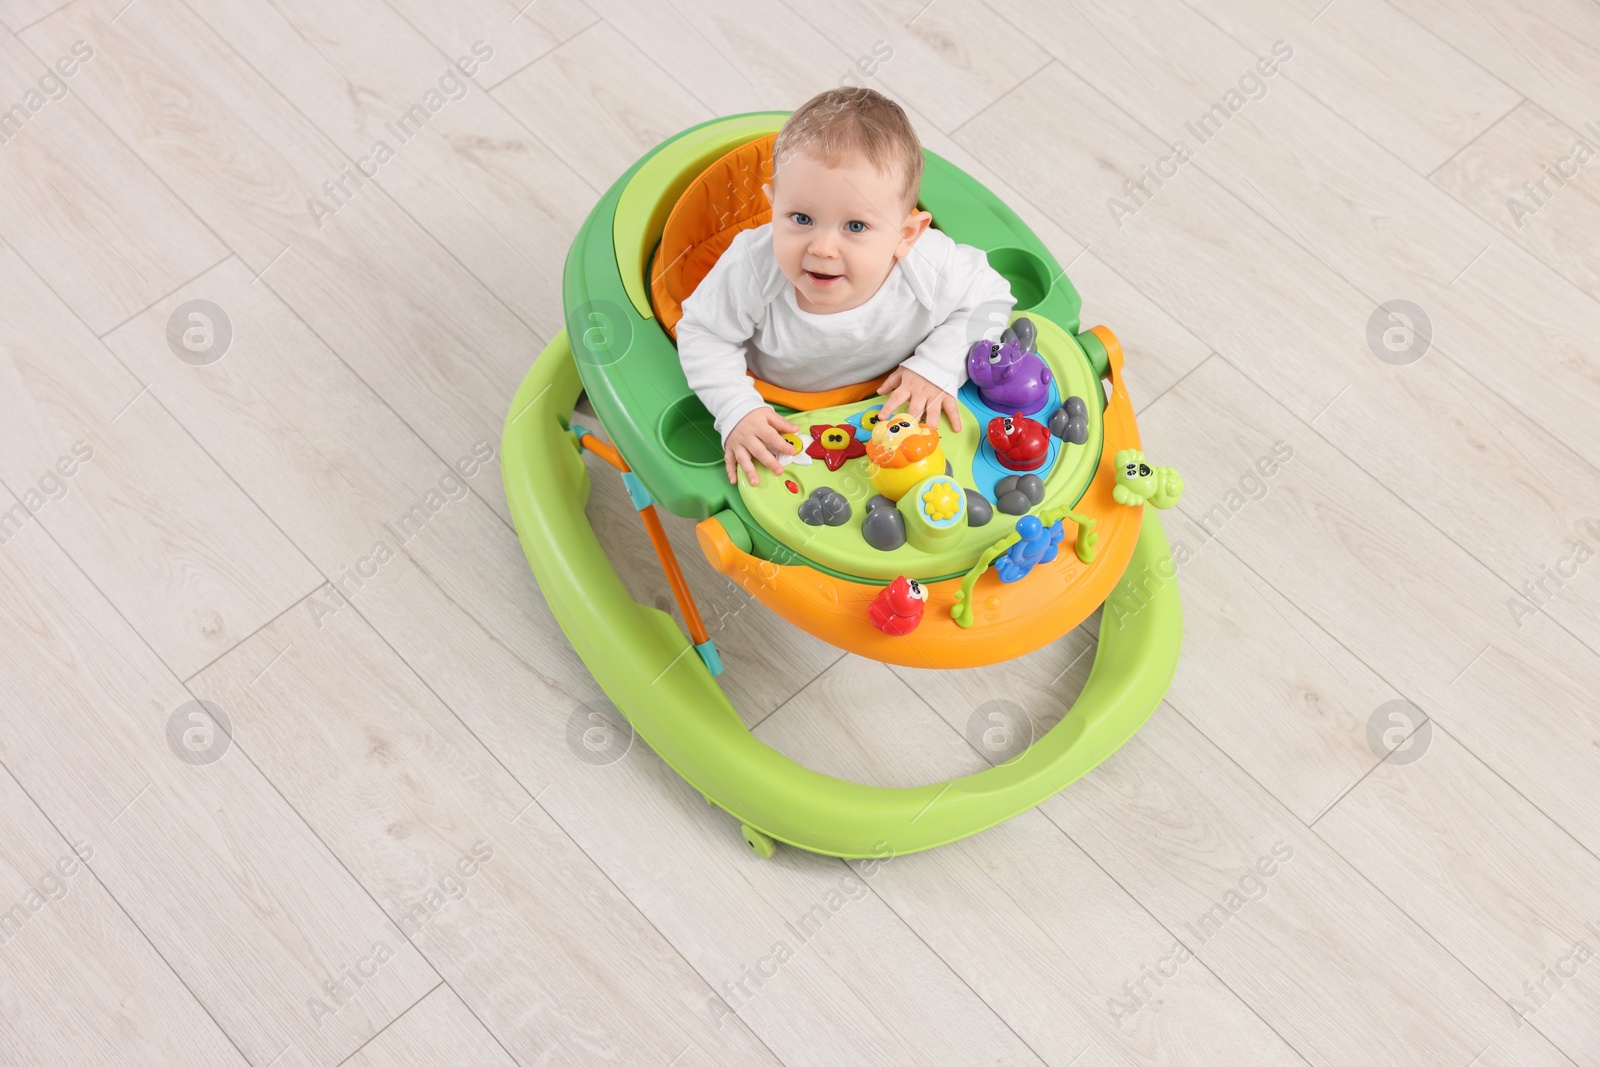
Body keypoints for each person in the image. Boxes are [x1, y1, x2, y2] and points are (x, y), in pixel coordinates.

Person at [675, 86, 1016, 486]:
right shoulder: (752, 265)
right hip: (781, 412)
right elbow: (702, 331)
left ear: (906, 234)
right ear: (773, 205)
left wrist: (938, 366)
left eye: (855, 226)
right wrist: (735, 406)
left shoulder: (926, 264)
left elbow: (993, 298)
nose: (821, 248)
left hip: (887, 414)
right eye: (800, 218)